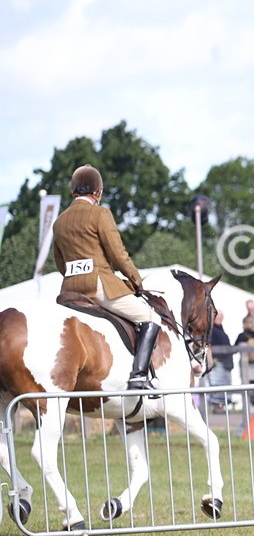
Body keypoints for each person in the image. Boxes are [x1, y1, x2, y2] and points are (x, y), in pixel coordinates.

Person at [51, 164, 161, 390]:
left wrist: (75, 277)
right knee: (151, 318)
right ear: (98, 192)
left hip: (69, 290)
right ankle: (139, 376)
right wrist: (136, 281)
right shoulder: (101, 214)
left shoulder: (59, 222)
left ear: (73, 191)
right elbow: (118, 254)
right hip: (98, 287)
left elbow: (61, 263)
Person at [205, 310, 233, 411]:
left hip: (225, 363)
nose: (219, 318)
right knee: (217, 384)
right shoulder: (211, 330)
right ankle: (217, 407)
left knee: (224, 384)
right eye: (217, 316)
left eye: (220, 316)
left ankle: (221, 406)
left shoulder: (220, 329)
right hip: (218, 362)